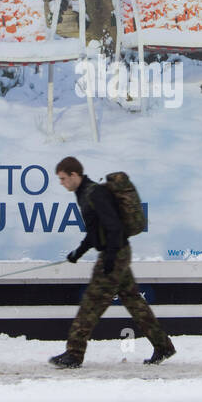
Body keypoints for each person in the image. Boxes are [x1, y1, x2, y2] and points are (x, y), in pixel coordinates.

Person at [48, 156, 175, 368]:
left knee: (91, 304)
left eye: (63, 179)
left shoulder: (94, 193)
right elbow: (95, 231)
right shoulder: (84, 194)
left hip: (114, 254)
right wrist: (78, 252)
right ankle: (163, 346)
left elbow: (114, 227)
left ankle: (74, 353)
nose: (61, 183)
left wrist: (109, 259)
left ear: (74, 175)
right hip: (116, 253)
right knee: (134, 301)